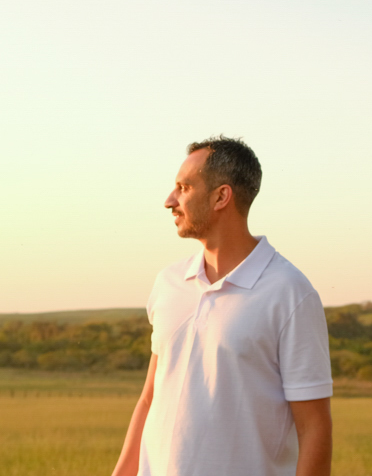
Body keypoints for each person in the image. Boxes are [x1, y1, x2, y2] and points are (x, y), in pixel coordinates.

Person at [112, 136, 333, 476]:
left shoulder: (290, 293)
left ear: (221, 197)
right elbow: (149, 399)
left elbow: (314, 427)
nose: (170, 200)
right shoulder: (168, 283)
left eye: (184, 187)